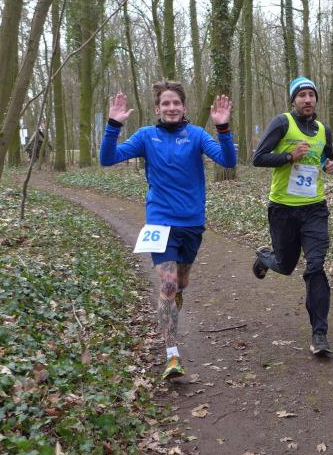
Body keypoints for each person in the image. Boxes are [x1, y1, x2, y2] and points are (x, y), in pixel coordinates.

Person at [100, 81, 236, 381]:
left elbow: (228, 161)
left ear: (184, 107)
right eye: (166, 103)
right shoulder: (146, 136)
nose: (171, 108)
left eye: (176, 103)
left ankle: (173, 305)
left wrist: (223, 128)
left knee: (181, 283)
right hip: (160, 222)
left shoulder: (197, 135)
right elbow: (107, 159)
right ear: (157, 109)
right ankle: (172, 354)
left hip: (192, 222)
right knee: (168, 285)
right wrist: (113, 125)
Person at [251, 76, 333, 356]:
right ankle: (265, 257)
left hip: (314, 209)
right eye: (302, 95)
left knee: (315, 266)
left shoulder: (324, 129)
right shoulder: (282, 123)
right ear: (293, 100)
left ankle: (319, 334)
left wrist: (329, 165)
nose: (307, 99)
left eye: (311, 95)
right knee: (286, 265)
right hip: (283, 210)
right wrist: (289, 156)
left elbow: (325, 157)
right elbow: (258, 158)